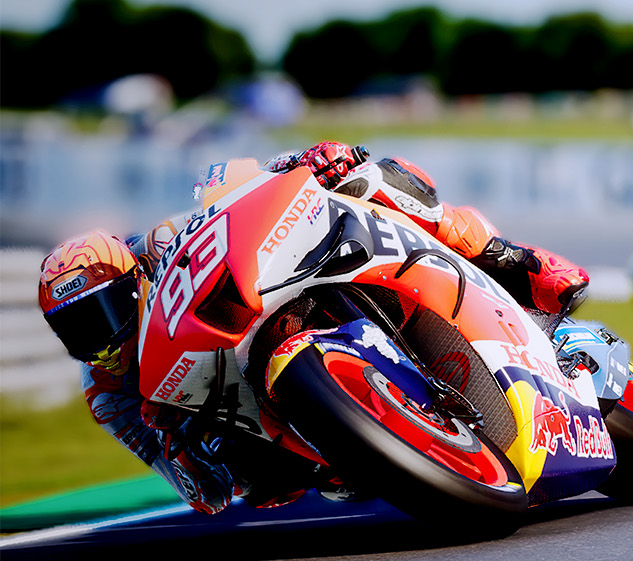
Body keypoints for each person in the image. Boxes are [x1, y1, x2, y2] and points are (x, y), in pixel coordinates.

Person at [35, 141, 592, 515]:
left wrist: (300, 164)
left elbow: (235, 205)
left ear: (133, 283)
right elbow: (205, 495)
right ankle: (365, 438)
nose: (97, 339)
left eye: (101, 313)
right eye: (76, 330)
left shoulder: (159, 247)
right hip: (265, 426)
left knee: (365, 181)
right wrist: (180, 446)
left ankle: (512, 260)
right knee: (260, 481)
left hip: (266, 304)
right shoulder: (108, 394)